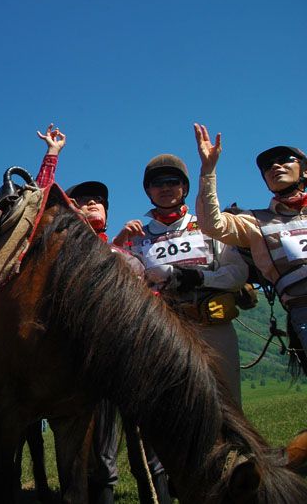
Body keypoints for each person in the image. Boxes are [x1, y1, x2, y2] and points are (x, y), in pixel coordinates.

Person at [113, 153, 247, 408]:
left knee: (227, 403)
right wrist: (119, 245)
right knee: (176, 407)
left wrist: (197, 277)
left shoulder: (208, 228)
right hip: (165, 331)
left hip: (212, 324)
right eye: (157, 183)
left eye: (172, 181)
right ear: (148, 191)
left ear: (184, 187)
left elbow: (238, 274)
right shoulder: (137, 239)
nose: (165, 188)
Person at [66, 181, 169, 504]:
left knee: (151, 441)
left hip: (136, 357)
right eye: (83, 200)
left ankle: (158, 495)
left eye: (99, 200)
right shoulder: (67, 257)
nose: (93, 202)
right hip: (93, 362)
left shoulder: (126, 255)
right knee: (102, 445)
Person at [194, 123, 307, 374]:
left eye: (284, 160)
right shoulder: (254, 221)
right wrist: (208, 170)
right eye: (268, 166)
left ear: (304, 171)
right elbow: (211, 225)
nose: (275, 167)